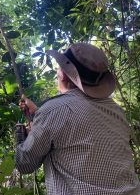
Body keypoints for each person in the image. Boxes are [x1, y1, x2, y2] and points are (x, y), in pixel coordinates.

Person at [15, 43, 140, 194]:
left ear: (62, 74)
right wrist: (37, 115)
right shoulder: (117, 111)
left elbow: (24, 164)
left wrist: (21, 135)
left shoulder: (53, 111)